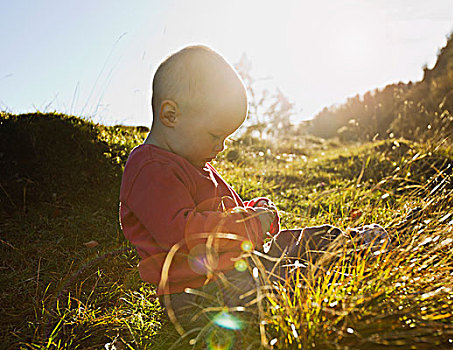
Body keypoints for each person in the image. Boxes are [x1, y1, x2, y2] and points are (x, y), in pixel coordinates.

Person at [119, 45, 389, 333]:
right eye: (215, 135)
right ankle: (338, 274)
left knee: (292, 242)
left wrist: (253, 211)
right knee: (282, 279)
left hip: (234, 261)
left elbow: (224, 212)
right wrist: (250, 224)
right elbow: (182, 236)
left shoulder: (192, 160)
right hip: (198, 290)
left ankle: (349, 244)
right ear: (171, 116)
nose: (220, 147)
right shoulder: (151, 168)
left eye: (225, 138)